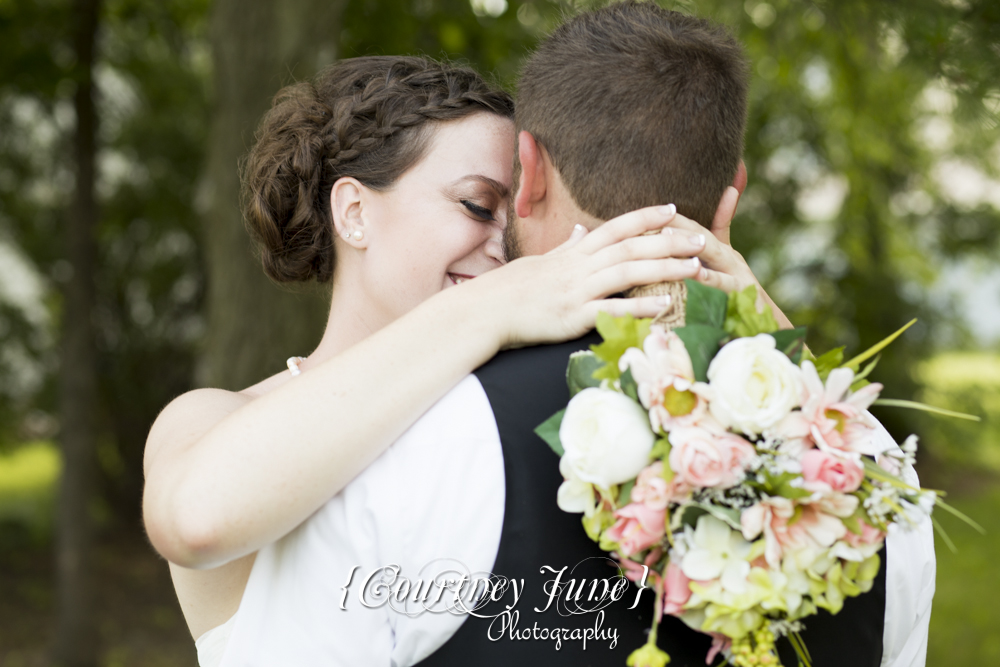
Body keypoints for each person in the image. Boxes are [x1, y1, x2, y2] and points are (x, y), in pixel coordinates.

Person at [211, 4, 935, 667]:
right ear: (731, 188)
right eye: (470, 203)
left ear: (527, 173)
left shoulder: (390, 448)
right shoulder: (874, 472)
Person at [141, 56, 767, 665]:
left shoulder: (529, 409)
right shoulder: (214, 416)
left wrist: (751, 326)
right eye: (476, 205)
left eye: (518, 209)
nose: (506, 244)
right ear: (354, 212)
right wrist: (492, 307)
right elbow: (197, 520)